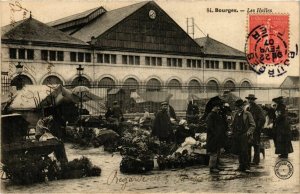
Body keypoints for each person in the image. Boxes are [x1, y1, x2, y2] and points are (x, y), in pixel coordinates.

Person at [232, 99, 256, 173]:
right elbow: (233, 124)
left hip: (244, 135)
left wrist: (248, 132)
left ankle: (247, 167)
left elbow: (253, 125)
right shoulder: (235, 114)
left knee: (245, 151)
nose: (239, 108)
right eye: (238, 106)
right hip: (237, 135)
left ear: (243, 106)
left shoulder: (247, 114)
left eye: (241, 106)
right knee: (239, 151)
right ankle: (241, 166)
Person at [206, 99, 225, 173]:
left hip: (217, 137)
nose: (218, 108)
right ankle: (212, 167)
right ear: (213, 107)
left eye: (218, 106)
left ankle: (216, 166)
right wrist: (216, 134)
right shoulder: (211, 115)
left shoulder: (216, 115)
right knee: (213, 153)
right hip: (213, 137)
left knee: (217, 152)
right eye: (217, 106)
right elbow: (210, 127)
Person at [246, 94, 266, 165]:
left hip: (256, 130)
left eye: (251, 99)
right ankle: (248, 160)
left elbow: (262, 119)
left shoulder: (258, 108)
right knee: (248, 145)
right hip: (249, 130)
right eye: (249, 99)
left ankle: (256, 161)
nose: (250, 100)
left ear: (254, 100)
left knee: (256, 145)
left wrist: (257, 127)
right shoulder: (248, 108)